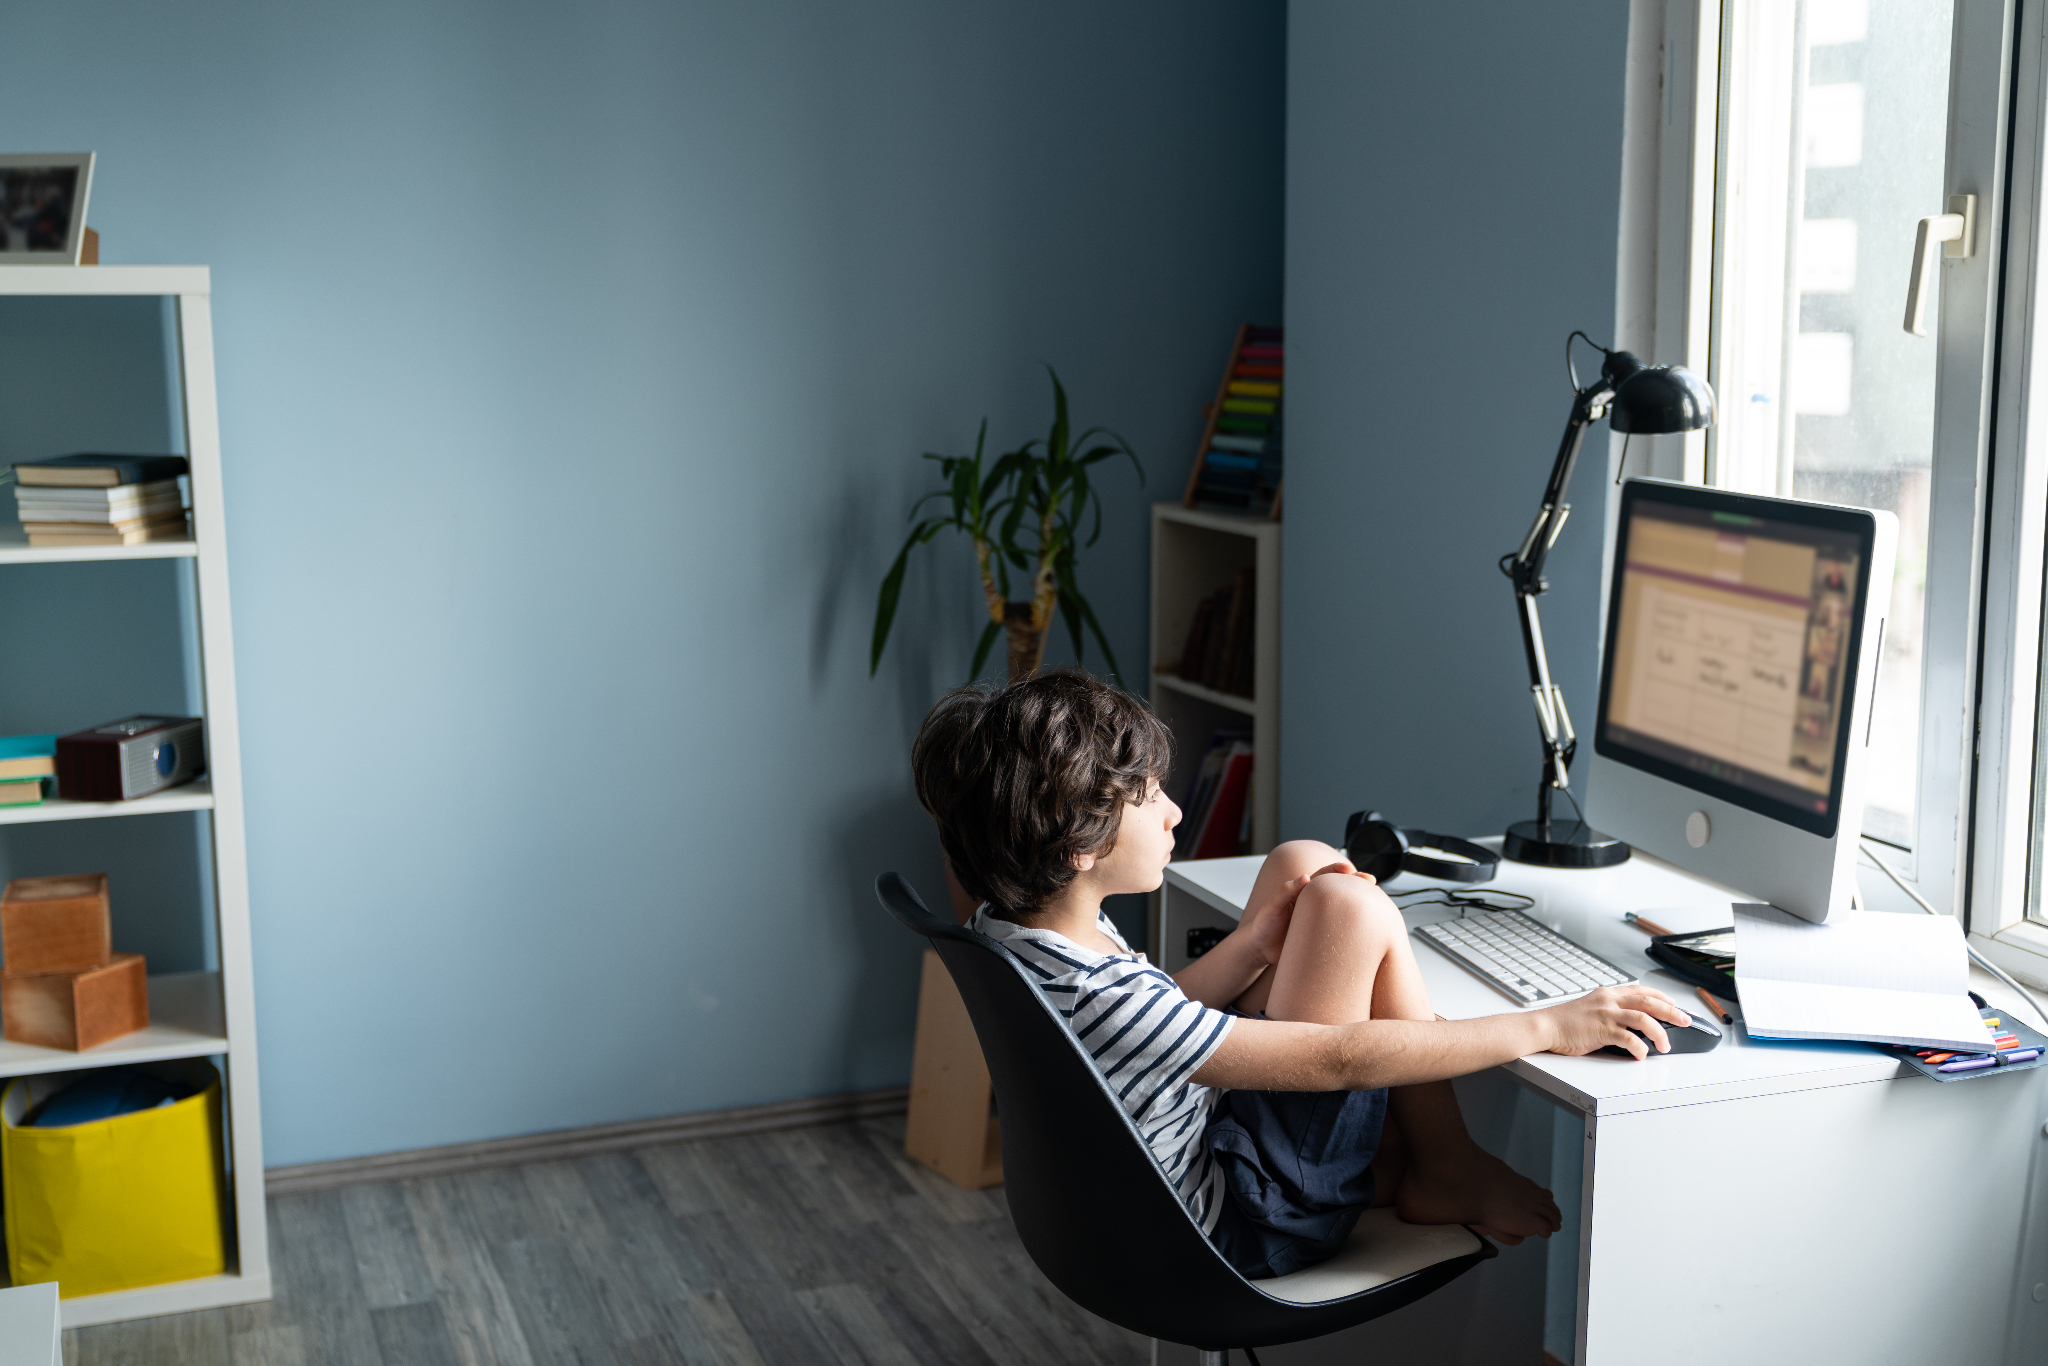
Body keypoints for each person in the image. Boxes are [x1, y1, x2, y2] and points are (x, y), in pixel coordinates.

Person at [910, 669, 1692, 1279]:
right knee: (1355, 913)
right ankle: (1446, 1168)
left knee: (1304, 864)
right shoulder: (1100, 996)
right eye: (1147, 798)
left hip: (1206, 1159)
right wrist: (1547, 1023)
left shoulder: (1028, 929)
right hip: (1251, 1227)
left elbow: (1158, 1019)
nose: (1176, 811)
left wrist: (1253, 943)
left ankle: (1416, 1162)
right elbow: (1339, 1057)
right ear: (1080, 846)